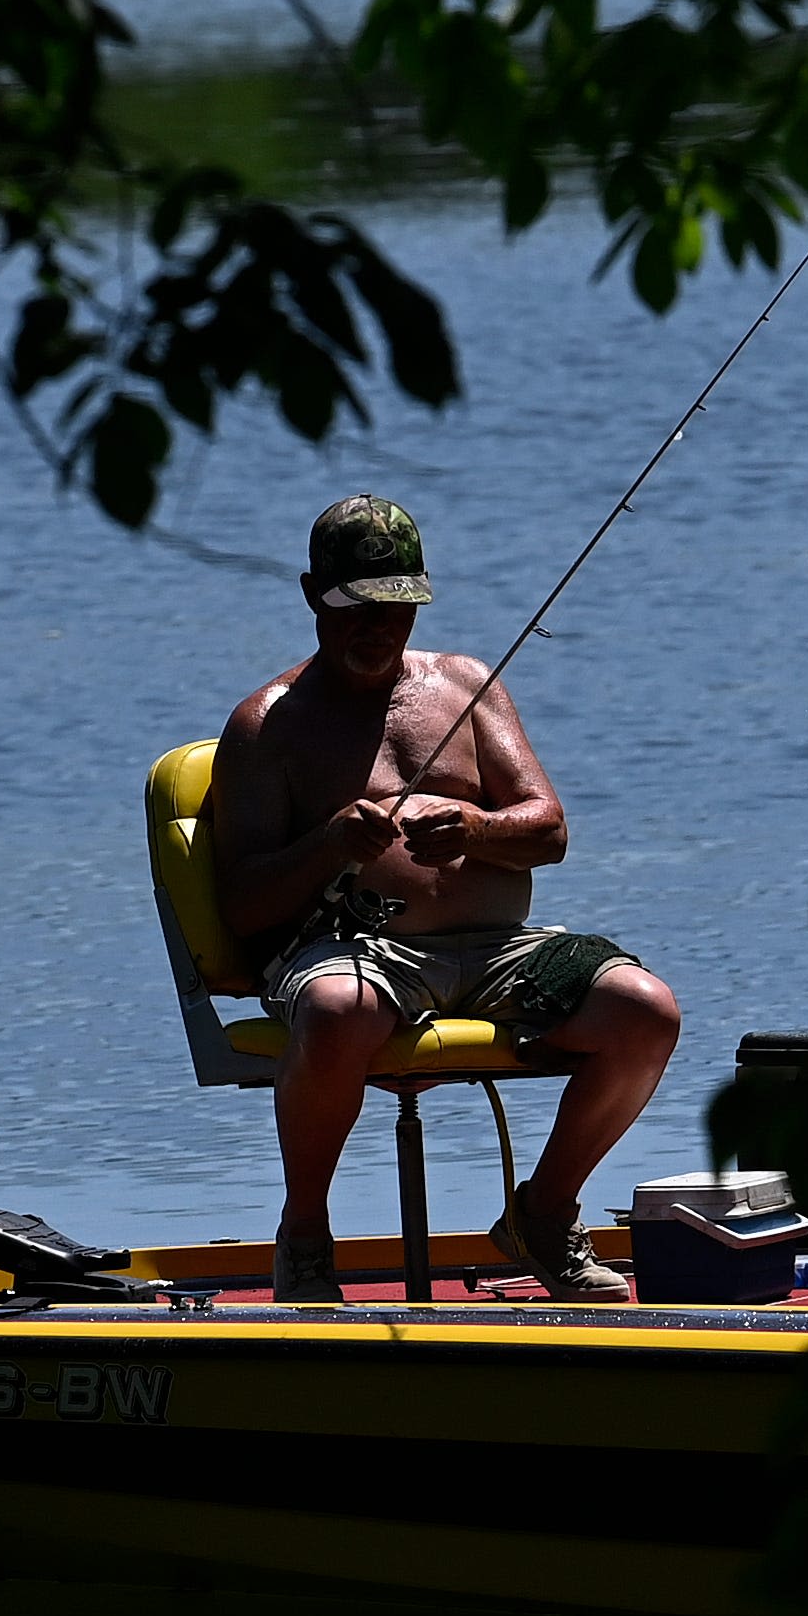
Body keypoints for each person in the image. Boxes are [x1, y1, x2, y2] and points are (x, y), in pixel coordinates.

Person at [210, 494, 682, 1304]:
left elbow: (549, 828)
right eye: (355, 607)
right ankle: (306, 1233)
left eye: (396, 607)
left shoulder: (464, 685)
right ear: (312, 596)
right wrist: (326, 845)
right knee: (337, 1010)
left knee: (645, 1008)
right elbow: (242, 908)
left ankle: (542, 1211)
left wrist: (475, 827)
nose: (377, 627)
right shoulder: (267, 726)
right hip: (355, 952)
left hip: (498, 950)